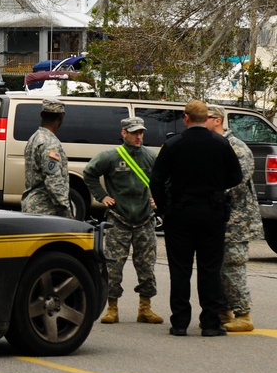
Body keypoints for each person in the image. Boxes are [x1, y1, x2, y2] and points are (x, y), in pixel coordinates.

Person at [150, 100, 243, 337]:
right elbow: (236, 176)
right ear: (205, 118)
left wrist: (163, 208)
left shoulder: (173, 144)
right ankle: (211, 322)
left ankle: (180, 322)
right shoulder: (221, 144)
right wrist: (215, 187)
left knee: (180, 269)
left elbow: (157, 179)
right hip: (212, 213)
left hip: (180, 214)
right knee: (209, 268)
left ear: (186, 118)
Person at [83, 116, 163, 325]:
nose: (139, 136)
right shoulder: (110, 157)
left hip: (145, 220)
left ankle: (145, 308)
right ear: (124, 133)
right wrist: (102, 196)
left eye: (141, 133)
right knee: (113, 266)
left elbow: (163, 180)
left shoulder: (150, 157)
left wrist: (158, 199)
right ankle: (112, 308)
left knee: (146, 266)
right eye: (135, 132)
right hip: (119, 220)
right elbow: (89, 173)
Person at [206, 104, 264, 332]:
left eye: (207, 118)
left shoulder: (236, 147)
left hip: (237, 221)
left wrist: (207, 190)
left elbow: (237, 179)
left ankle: (243, 314)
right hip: (219, 218)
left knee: (233, 266)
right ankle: (224, 311)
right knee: (218, 268)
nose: (204, 122)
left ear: (217, 120)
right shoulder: (214, 145)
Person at [21, 98, 71, 217]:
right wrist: (66, 209)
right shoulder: (49, 143)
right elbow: (53, 180)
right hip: (45, 210)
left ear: (42, 115)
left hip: (33, 207)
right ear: (61, 117)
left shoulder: (35, 137)